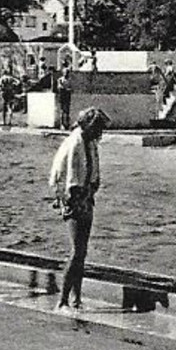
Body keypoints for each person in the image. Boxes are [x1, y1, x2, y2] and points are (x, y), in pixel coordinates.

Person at [47, 107, 109, 310]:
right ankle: (63, 299)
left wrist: (91, 192)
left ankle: (77, 298)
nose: (100, 133)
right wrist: (77, 200)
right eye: (98, 128)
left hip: (86, 198)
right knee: (77, 251)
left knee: (82, 252)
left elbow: (93, 172)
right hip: (74, 200)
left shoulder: (89, 143)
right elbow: (71, 177)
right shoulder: (75, 142)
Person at [0, 65, 22, 129]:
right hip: (11, 92)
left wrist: (1, 89)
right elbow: (18, 82)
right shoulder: (12, 78)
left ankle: (4, 121)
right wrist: (14, 86)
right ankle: (10, 121)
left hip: (4, 93)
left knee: (4, 107)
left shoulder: (2, 78)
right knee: (10, 106)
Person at [54, 63, 74, 130]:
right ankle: (62, 124)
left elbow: (71, 88)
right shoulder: (60, 80)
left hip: (67, 96)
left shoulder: (70, 80)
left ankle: (67, 124)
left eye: (67, 72)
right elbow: (59, 87)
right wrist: (65, 88)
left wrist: (67, 89)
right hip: (62, 96)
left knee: (67, 111)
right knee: (62, 110)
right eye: (65, 72)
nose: (66, 74)